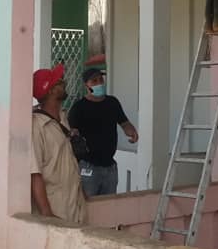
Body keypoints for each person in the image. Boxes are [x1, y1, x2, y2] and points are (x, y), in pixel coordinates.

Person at [68, 67, 138, 198]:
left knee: (109, 206)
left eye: (101, 79)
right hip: (88, 166)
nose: (99, 83)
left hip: (110, 167)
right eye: (94, 81)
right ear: (86, 86)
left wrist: (131, 131)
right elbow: (71, 133)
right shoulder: (79, 107)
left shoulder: (112, 103)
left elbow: (124, 122)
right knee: (88, 207)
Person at [31, 64, 87, 223]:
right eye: (58, 82)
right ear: (50, 90)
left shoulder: (62, 118)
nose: (64, 82)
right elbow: (35, 174)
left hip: (74, 203)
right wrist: (47, 214)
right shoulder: (36, 126)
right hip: (57, 206)